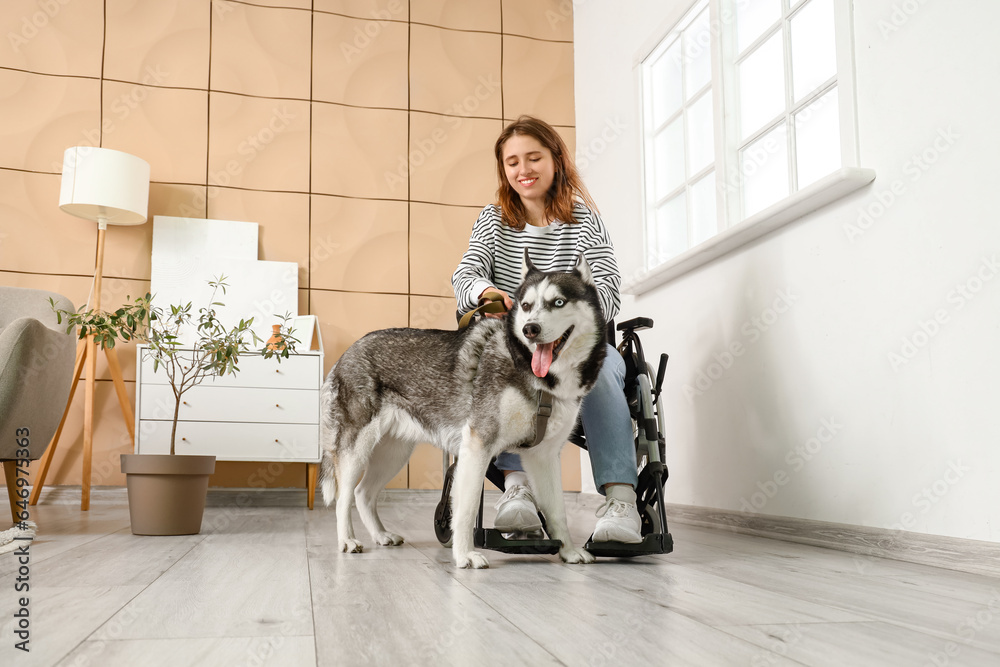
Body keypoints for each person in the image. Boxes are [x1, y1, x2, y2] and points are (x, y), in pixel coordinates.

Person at [451, 115, 642, 544]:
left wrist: (577, 323)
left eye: (534, 157)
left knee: (606, 364)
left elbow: (607, 286)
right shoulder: (494, 219)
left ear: (556, 159)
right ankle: (516, 491)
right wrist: (487, 293)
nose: (524, 170)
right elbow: (466, 273)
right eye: (512, 162)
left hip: (575, 345)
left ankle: (621, 500)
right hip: (516, 344)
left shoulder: (582, 219)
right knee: (497, 376)